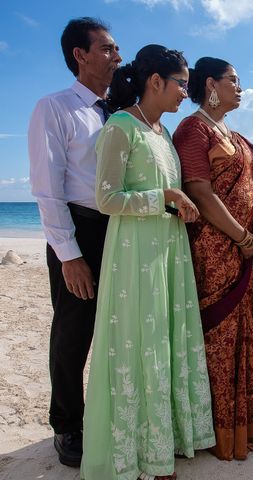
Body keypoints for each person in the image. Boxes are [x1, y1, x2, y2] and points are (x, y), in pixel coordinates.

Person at [80, 45, 215, 480]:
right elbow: (105, 198)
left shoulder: (161, 133)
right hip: (135, 254)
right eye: (182, 83)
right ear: (154, 81)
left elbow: (165, 193)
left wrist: (178, 204)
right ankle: (135, 454)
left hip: (167, 250)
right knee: (143, 340)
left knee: (166, 338)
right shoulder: (122, 127)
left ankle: (163, 443)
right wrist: (163, 198)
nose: (186, 92)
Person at [28, 17, 121, 468]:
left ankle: (112, 415)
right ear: (79, 55)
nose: (116, 57)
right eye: (106, 49)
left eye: (116, 49)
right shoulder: (55, 107)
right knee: (72, 334)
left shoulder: (121, 111)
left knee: (119, 329)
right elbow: (48, 189)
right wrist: (70, 256)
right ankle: (67, 426)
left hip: (121, 232)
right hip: (80, 231)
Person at [172, 57, 253, 461]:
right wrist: (241, 235)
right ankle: (211, 428)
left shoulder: (232, 132)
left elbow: (247, 186)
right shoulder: (193, 128)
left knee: (240, 330)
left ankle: (241, 419)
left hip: (239, 249)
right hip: (212, 251)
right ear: (210, 83)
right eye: (234, 80)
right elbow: (199, 190)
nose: (240, 87)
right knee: (216, 336)